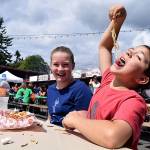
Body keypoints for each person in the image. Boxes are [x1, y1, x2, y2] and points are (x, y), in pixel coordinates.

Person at [62, 4, 149, 150]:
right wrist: (118, 21)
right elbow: (104, 47)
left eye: (138, 57)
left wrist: (76, 121)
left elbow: (113, 137)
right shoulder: (108, 79)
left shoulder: (134, 101)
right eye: (131, 50)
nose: (129, 53)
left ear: (142, 79)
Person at [47, 46, 92, 126]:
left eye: (65, 65)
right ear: (50, 66)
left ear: (73, 66)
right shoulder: (50, 89)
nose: (60, 69)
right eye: (56, 64)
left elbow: (87, 123)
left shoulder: (81, 89)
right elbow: (50, 117)